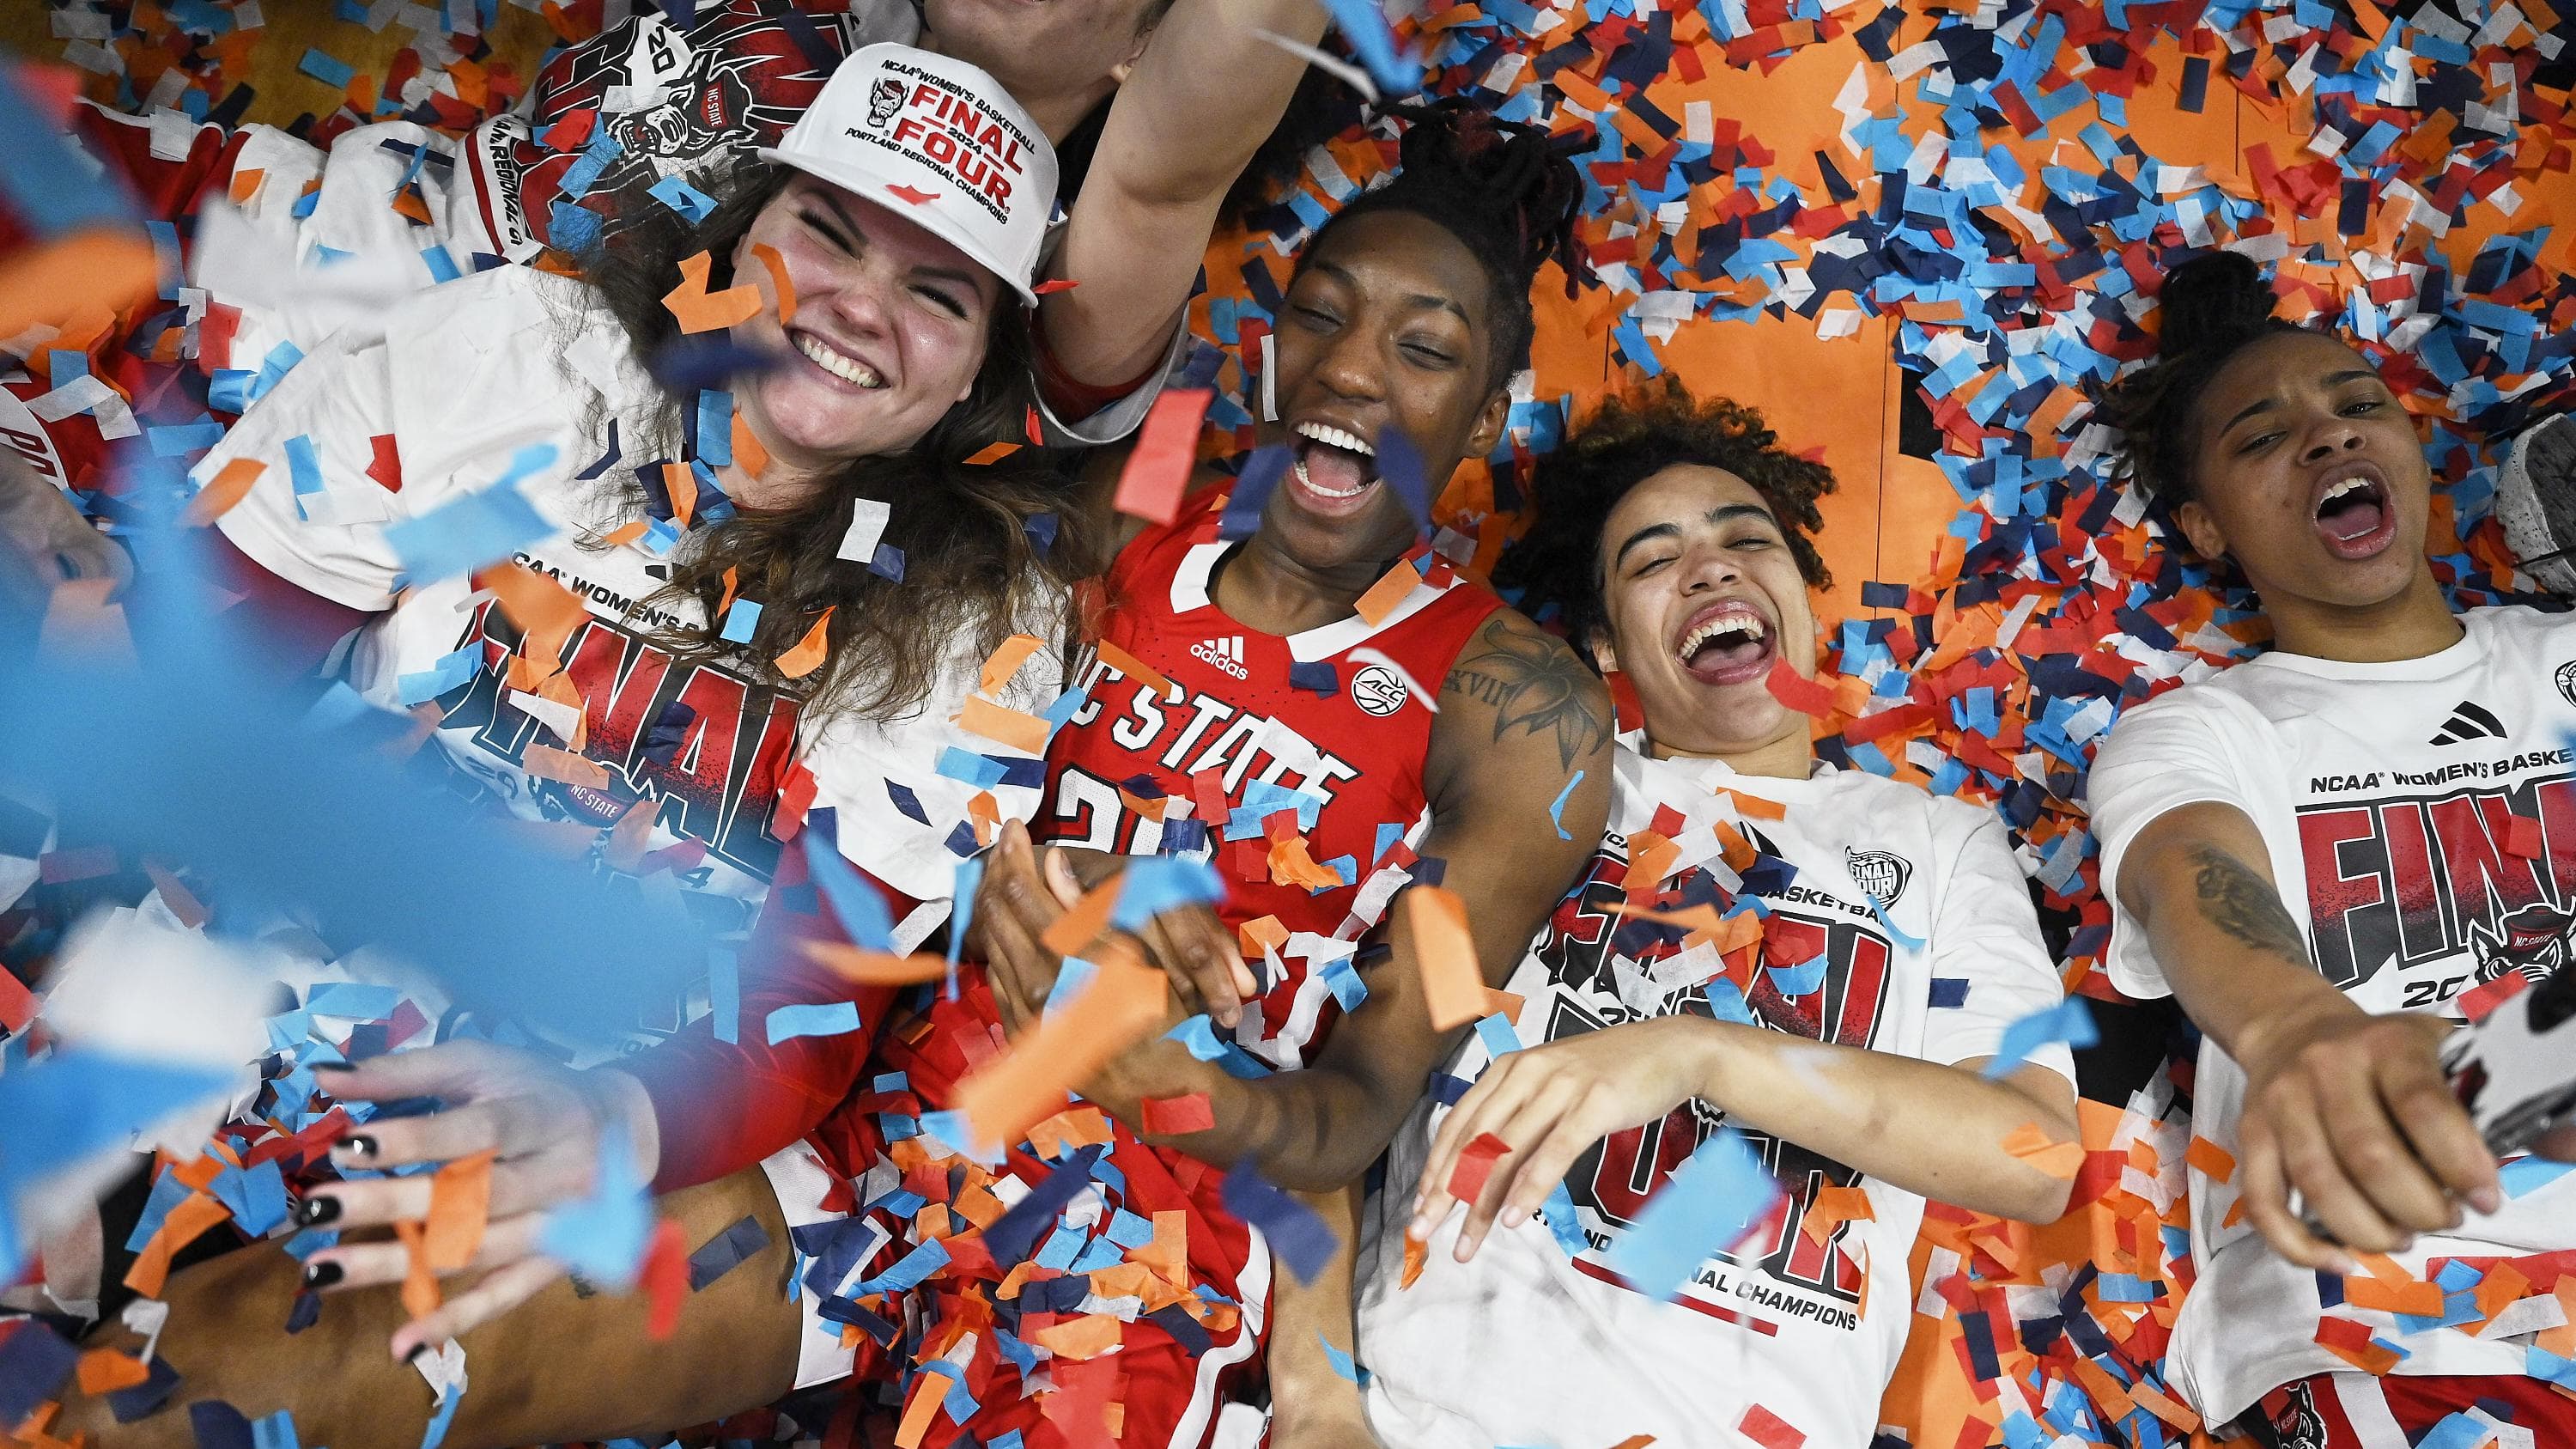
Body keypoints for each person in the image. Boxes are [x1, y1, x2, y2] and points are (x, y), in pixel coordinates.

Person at [267, 100, 1615, 1449]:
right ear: (1267, 347)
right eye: (1321, 316)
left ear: (1487, 414)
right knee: (315, 1365)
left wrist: (1168, 1083)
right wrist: (1030, 875)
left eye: (1425, 349)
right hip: (853, 1126)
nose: (1354, 373)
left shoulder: (1522, 709)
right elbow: (878, 773)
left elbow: (1360, 1109)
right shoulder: (1121, 510)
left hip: (1126, 1241)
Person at [58, 44, 1103, 1449]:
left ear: (981, 374)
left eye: (939, 292)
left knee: (208, 1394)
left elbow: (809, 1003)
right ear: (738, 235)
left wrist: (616, 1115)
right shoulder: (531, 355)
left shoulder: (990, 612)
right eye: (829, 231)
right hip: (301, 937)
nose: (860, 304)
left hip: (626, 1067)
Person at [1267, 386, 2078, 1449]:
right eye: (1653, 560)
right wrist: (1320, 1401)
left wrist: (1701, 1055)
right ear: (1606, 645)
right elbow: (1313, 1093)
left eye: (1750, 539)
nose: (1712, 567)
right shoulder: (1536, 787)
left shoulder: (1938, 841)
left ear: (1804, 593)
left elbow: (2033, 1156)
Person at [2084, 250, 2576, 1446]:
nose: (2327, 438)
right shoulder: (2198, 731)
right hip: (2400, 1314)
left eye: (2360, 407)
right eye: (2263, 437)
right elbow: (2197, 876)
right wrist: (2300, 1026)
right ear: (2201, 521)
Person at [71, 0, 1329, 456]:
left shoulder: (1071, 257)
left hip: (382, 447)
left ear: (1147, 43)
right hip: (249, 220)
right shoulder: (839, 14)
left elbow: (1188, 143)